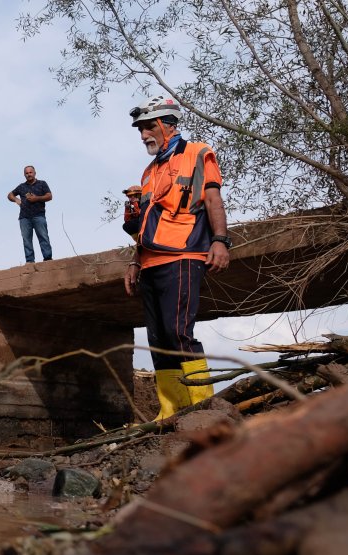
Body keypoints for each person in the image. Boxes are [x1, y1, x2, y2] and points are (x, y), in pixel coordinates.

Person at [122, 96, 232, 420]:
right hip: (150, 261)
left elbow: (213, 200)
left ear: (168, 124)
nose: (143, 135)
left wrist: (221, 241)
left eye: (148, 127)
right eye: (140, 130)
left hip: (184, 255)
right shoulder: (147, 173)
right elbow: (144, 225)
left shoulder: (197, 153)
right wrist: (135, 260)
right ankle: (171, 411)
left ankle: (204, 408)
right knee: (157, 339)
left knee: (178, 332)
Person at [7, 165, 54, 263]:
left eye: (30, 172)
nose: (29, 174)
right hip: (24, 217)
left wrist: (36, 198)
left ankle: (48, 259)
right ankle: (30, 261)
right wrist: (16, 199)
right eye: (27, 173)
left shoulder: (42, 183)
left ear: (35, 173)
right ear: (24, 175)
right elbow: (9, 195)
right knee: (27, 240)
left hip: (39, 215)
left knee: (43, 237)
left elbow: (49, 196)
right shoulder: (21, 186)